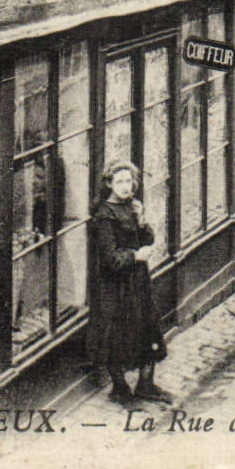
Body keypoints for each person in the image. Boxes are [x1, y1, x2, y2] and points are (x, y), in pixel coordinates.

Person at [89, 161, 169, 406]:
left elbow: (147, 238)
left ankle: (146, 384)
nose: (125, 186)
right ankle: (120, 388)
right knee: (118, 334)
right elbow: (110, 258)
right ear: (109, 184)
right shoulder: (105, 216)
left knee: (147, 327)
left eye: (128, 181)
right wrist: (135, 256)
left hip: (138, 281)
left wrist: (141, 218)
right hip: (116, 285)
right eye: (119, 181)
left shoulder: (130, 207)